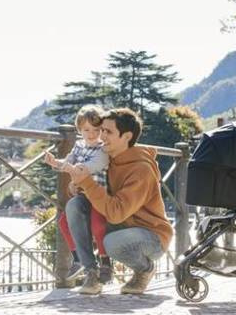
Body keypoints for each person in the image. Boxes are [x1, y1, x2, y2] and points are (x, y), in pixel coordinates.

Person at [65, 108, 173, 295]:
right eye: (101, 130)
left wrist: (87, 182)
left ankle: (145, 269)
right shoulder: (107, 159)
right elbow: (95, 191)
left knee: (111, 243)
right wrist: (76, 185)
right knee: (74, 206)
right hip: (120, 225)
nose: (101, 136)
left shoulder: (141, 169)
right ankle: (91, 272)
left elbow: (116, 213)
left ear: (127, 137)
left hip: (151, 235)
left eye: (108, 132)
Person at [44, 105, 111, 284]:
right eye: (86, 130)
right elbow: (68, 162)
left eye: (96, 130)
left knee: (98, 225)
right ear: (79, 130)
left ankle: (105, 262)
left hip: (99, 194)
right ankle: (79, 259)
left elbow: (88, 168)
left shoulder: (103, 150)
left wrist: (69, 169)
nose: (91, 134)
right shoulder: (79, 146)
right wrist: (55, 162)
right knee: (64, 222)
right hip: (82, 194)